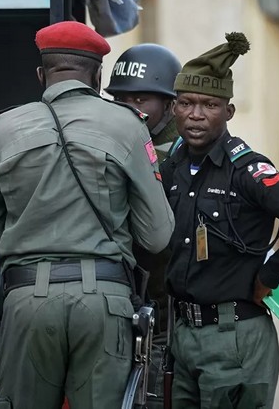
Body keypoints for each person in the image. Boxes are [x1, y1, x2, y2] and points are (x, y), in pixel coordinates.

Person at [0, 21, 175, 409]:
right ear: (98, 76)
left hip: (27, 300)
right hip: (105, 301)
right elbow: (157, 236)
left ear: (40, 74)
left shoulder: (1, 128)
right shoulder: (129, 126)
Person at [160, 32, 279, 409]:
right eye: (186, 103)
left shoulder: (247, 170)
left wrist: (268, 278)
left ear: (228, 112)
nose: (195, 114)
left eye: (209, 104)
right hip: (184, 334)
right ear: (174, 108)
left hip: (234, 333)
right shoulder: (173, 167)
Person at [104, 43, 182, 409]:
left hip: (169, 303)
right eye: (120, 99)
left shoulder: (186, 148)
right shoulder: (107, 137)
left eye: (140, 100)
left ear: (169, 104)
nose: (129, 109)